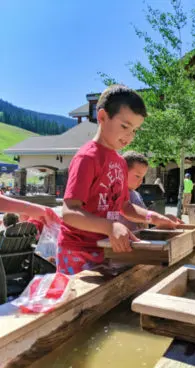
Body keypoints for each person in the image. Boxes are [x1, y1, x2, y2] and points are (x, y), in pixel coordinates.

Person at [57, 85, 178, 275]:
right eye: (124, 126)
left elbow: (125, 206)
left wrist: (153, 217)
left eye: (135, 130)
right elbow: (70, 212)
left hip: (107, 247)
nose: (130, 136)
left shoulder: (120, 162)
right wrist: (110, 226)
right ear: (103, 117)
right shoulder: (87, 158)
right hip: (78, 251)